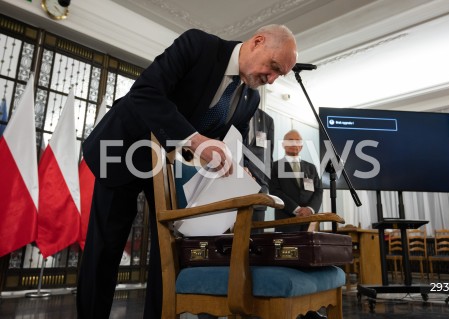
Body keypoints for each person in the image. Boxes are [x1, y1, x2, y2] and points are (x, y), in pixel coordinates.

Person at [77, 25, 297, 319]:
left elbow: (233, 140)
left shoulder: (251, 99)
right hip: (124, 147)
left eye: (278, 76)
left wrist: (239, 169)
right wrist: (195, 140)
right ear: (258, 42)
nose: (270, 80)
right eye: (272, 68)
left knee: (169, 254)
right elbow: (145, 92)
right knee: (105, 249)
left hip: (168, 168)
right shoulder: (199, 46)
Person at [269, 129, 322, 232]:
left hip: (309, 221)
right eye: (290, 140)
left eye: (298, 141)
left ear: (301, 146)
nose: (294, 143)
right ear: (283, 144)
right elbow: (275, 191)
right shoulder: (274, 167)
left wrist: (310, 209)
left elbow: (319, 191)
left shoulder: (311, 168)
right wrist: (297, 210)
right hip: (286, 221)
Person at [245, 108, 275, 234]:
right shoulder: (232, 110)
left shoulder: (266, 120)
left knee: (256, 244)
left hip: (258, 191)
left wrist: (264, 185)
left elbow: (268, 158)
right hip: (232, 185)